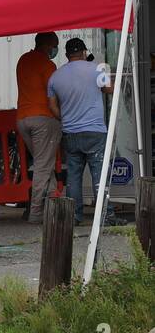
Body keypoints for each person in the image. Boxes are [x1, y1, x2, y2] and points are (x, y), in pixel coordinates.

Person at [48, 37, 128, 226]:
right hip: (94, 131)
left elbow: (52, 107)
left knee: (73, 177)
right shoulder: (96, 69)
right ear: (84, 52)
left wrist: (65, 119)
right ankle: (106, 216)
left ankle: (74, 217)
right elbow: (109, 89)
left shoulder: (55, 77)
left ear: (67, 55)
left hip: (70, 133)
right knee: (99, 174)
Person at [17, 32, 62, 224]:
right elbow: (55, 93)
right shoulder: (47, 65)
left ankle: (54, 205)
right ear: (49, 45)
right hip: (43, 118)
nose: (55, 50)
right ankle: (36, 213)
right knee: (43, 167)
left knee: (44, 163)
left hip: (22, 119)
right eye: (55, 46)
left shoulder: (23, 60)